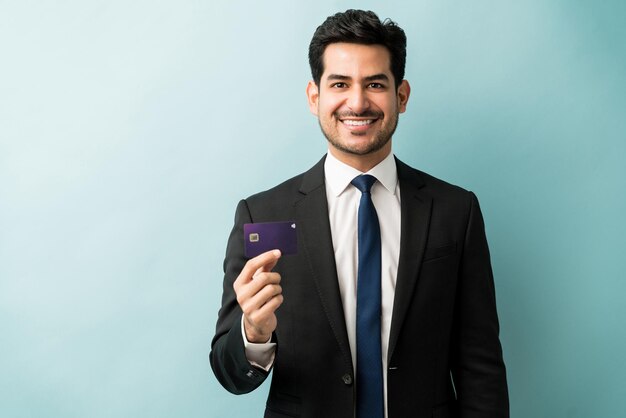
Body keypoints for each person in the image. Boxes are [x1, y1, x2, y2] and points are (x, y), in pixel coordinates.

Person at [210, 9, 509, 418]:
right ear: (315, 97)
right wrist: (254, 334)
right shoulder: (262, 214)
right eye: (340, 84)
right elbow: (229, 374)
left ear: (401, 96)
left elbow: (481, 368)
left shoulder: (456, 211)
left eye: (374, 84)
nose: (357, 102)